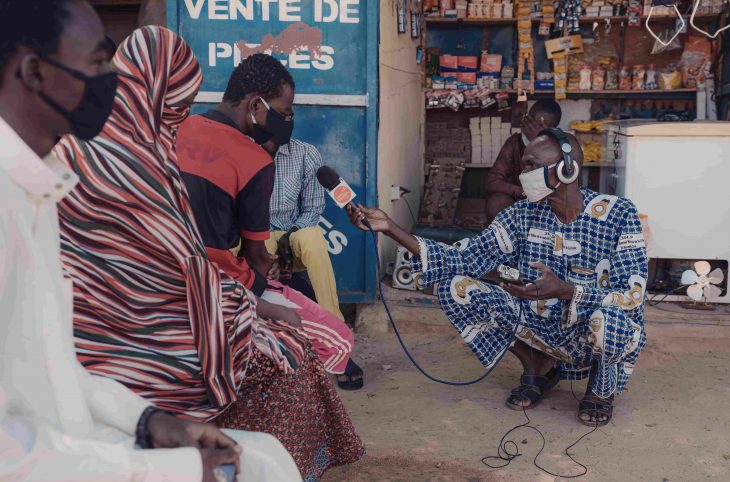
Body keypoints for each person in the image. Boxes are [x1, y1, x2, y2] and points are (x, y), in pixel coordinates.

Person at [0, 2, 298, 481]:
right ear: (35, 71)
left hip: (86, 423)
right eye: (98, 64)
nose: (111, 84)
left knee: (265, 460)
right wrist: (168, 469)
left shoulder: (40, 183)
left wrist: (147, 421)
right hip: (64, 452)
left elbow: (51, 360)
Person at [53, 25, 364, 480]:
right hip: (155, 341)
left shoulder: (75, 151)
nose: (179, 115)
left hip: (84, 338)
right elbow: (189, 272)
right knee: (292, 357)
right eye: (178, 101)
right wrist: (257, 304)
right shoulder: (152, 165)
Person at [347, 129, 648, 427]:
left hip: (592, 328)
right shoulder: (520, 215)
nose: (521, 174)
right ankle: (537, 364)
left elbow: (633, 296)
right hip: (541, 324)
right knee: (456, 287)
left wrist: (567, 290)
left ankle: (601, 388)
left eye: (531, 165)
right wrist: (390, 228)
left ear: (566, 170)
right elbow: (463, 258)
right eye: (522, 165)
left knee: (611, 321)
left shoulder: (619, 214)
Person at [176, 54, 363, 389]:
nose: (286, 119)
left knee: (311, 240)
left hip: (178, 272)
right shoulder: (253, 159)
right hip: (227, 284)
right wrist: (265, 293)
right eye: (282, 111)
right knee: (336, 338)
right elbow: (255, 258)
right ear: (255, 104)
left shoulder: (179, 130)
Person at [485, 99, 565, 225]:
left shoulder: (562, 146)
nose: (529, 128)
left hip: (549, 203)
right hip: (520, 200)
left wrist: (539, 142)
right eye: (529, 121)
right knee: (496, 202)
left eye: (536, 126)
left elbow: (567, 190)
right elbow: (492, 182)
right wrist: (519, 191)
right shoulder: (514, 142)